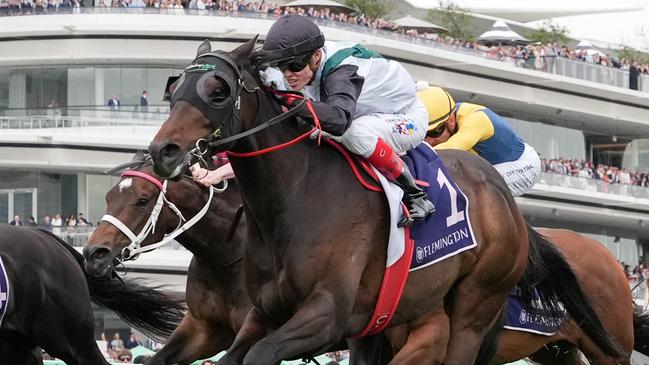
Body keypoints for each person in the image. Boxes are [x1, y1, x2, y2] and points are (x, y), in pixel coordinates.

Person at [254, 14, 434, 224]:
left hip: (406, 116)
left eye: (293, 66)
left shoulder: (342, 71)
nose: (288, 75)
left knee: (355, 133)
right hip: (364, 113)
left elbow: (339, 121)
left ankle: (415, 194)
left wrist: (292, 101)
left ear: (316, 57)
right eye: (280, 66)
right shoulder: (305, 63)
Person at [417, 84, 541, 197]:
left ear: (451, 120)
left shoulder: (476, 120)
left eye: (434, 132)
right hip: (491, 164)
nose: (430, 141)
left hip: (523, 164)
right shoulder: (448, 113)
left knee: (475, 190)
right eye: (424, 135)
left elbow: (450, 148)